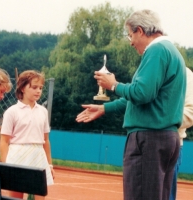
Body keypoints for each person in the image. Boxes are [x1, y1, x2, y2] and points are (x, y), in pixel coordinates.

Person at [76, 9, 186, 200]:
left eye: (130, 35)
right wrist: (104, 108)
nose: (131, 42)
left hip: (149, 139)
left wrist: (114, 85)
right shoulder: (171, 51)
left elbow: (141, 93)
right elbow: (140, 96)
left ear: (140, 31)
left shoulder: (157, 51)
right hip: (165, 137)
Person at [0, 70, 54, 200]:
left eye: (41, 88)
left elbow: (46, 140)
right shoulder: (11, 112)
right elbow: (4, 141)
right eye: (34, 87)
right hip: (17, 157)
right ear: (23, 88)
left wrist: (50, 164)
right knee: (15, 197)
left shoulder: (43, 112)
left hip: (38, 156)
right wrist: (5, 164)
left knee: (40, 196)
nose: (38, 91)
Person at [170, 67, 193, 200]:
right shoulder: (149, 68)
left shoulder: (186, 75)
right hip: (142, 143)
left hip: (170, 144)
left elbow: (190, 113)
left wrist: (160, 120)